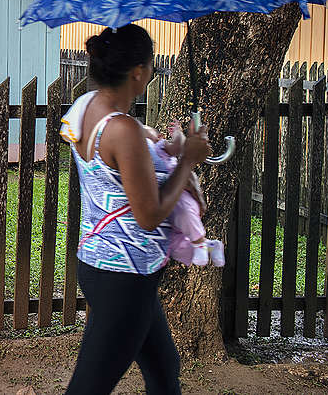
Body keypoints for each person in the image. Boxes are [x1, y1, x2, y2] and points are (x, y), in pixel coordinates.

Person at [61, 25, 211, 395]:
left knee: (164, 369)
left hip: (105, 266)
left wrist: (168, 145)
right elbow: (148, 215)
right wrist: (188, 161)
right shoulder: (122, 128)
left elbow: (134, 149)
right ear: (139, 72)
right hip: (124, 276)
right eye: (152, 65)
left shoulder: (87, 107)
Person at [147, 123, 225, 267]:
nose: (144, 138)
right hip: (165, 207)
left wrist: (177, 132)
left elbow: (179, 146)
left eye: (147, 135)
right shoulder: (140, 154)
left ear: (159, 137)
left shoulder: (160, 147)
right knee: (175, 245)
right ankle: (211, 247)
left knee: (183, 212)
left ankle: (199, 242)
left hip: (180, 194)